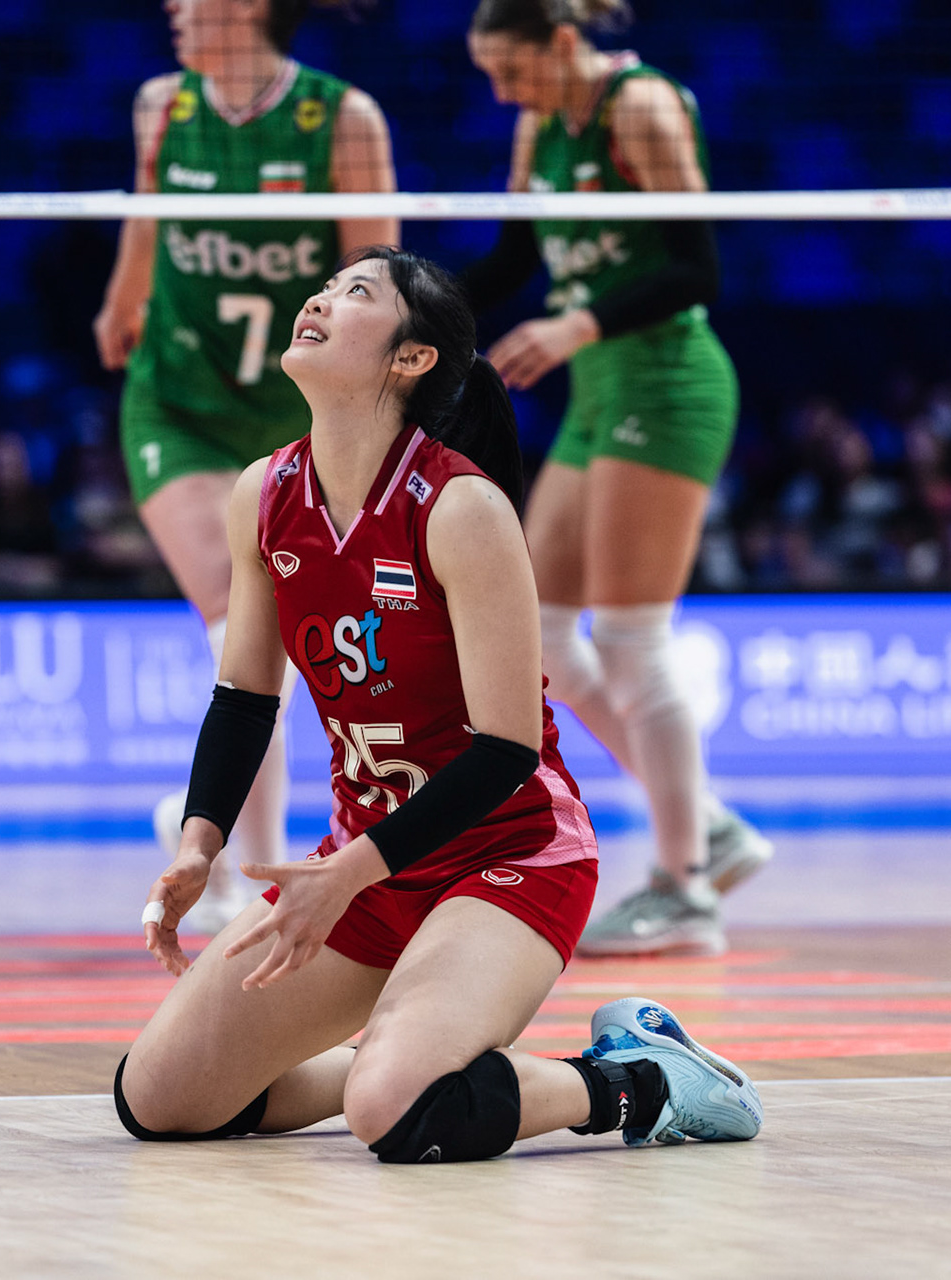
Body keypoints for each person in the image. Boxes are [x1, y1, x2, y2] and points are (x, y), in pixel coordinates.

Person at [117, 246, 762, 1165]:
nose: (319, 298)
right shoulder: (263, 492)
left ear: (410, 359)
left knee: (398, 1112)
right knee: (160, 1098)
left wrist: (350, 873)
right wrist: (197, 846)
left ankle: (641, 1080)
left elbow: (505, 754)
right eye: (328, 286)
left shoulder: (462, 507)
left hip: (509, 857)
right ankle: (400, 1053)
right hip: (369, 865)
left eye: (356, 293)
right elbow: (244, 697)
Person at [461, 0, 771, 957]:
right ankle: (706, 824)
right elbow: (516, 257)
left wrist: (576, 325)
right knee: (544, 634)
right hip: (600, 390)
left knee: (633, 640)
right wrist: (410, 315)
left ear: (561, 44)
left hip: (667, 381)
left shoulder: (638, 107)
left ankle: (684, 890)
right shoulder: (537, 124)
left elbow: (696, 267)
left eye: (511, 71)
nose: (501, 92)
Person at [94, 0, 398, 929]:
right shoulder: (161, 106)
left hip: (291, 407)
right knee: (236, 607)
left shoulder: (340, 119)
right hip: (178, 400)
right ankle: (236, 867)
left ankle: (216, 841)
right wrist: (121, 300)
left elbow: (377, 276)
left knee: (268, 618)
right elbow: (146, 221)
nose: (175, 12)